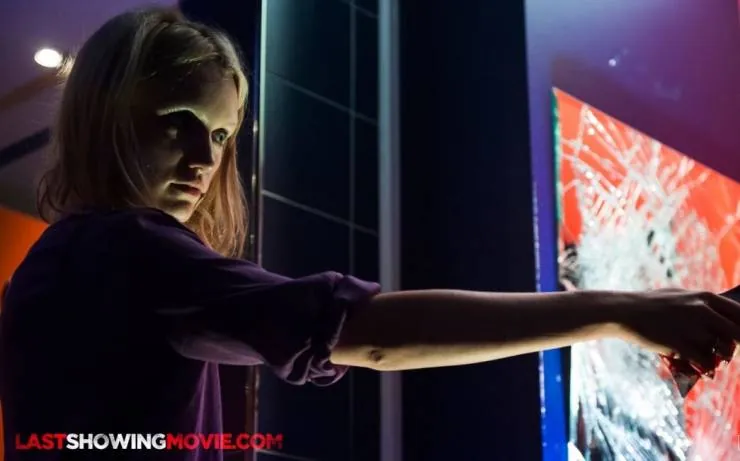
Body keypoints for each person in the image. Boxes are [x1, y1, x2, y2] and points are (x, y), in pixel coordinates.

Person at [0, 6, 738, 461]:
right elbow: (368, 334)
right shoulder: (124, 251)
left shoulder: (57, 266)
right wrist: (616, 310)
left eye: (220, 135)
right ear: (103, 113)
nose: (204, 159)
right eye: (178, 124)